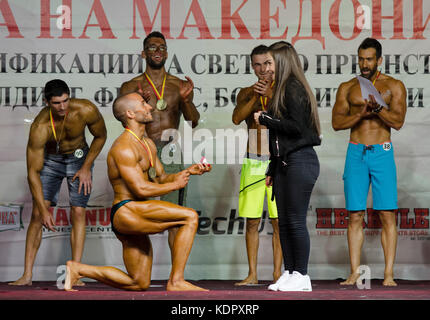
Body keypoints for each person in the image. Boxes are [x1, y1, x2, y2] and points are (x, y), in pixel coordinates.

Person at [64, 92, 211, 291]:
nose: (149, 107)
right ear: (130, 113)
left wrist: (187, 172)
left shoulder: (147, 143)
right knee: (189, 216)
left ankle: (78, 269)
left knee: (138, 282)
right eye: (143, 104)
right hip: (126, 210)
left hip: (137, 210)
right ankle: (176, 281)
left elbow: (160, 178)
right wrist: (175, 185)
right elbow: (140, 188)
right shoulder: (123, 147)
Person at [9, 79, 107, 286]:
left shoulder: (85, 109)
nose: (63, 107)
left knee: (78, 211)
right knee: (38, 212)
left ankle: (75, 273)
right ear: (46, 102)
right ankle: (27, 275)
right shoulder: (40, 126)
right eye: (56, 103)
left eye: (65, 101)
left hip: (80, 157)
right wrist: (45, 212)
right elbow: (33, 172)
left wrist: (86, 167)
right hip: (50, 161)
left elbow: (101, 136)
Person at [332, 38, 406, 287]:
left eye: (369, 59)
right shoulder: (347, 87)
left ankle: (388, 274)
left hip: (382, 152)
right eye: (361, 58)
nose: (364, 63)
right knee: (354, 215)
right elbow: (337, 123)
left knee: (387, 214)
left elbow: (397, 121)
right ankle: (354, 273)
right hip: (356, 153)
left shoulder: (394, 85)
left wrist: (378, 110)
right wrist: (359, 114)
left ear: (379, 60)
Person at [119, 31, 200, 255]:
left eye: (162, 48)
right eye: (153, 48)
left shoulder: (178, 85)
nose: (158, 51)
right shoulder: (130, 86)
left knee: (176, 215)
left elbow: (193, 121)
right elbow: (121, 119)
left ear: (167, 53)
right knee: (135, 213)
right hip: (140, 149)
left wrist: (185, 101)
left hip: (170, 151)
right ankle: (139, 270)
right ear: (144, 53)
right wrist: (138, 104)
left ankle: (176, 276)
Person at [254, 41, 321, 292]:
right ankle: (290, 271)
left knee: (294, 220)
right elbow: (280, 139)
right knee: (283, 222)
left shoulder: (294, 87)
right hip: (284, 162)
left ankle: (302, 274)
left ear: (281, 62)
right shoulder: (281, 89)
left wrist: (265, 118)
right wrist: (272, 168)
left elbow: (296, 128)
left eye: (270, 63)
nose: (266, 68)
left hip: (301, 160)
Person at [232, 45, 282, 286]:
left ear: (274, 64)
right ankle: (252, 274)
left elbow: (287, 118)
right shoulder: (246, 92)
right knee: (252, 221)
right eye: (257, 65)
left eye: (267, 64)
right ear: (252, 66)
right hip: (253, 160)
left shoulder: (282, 91)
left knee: (278, 221)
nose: (263, 69)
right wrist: (254, 95)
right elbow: (236, 117)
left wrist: (270, 94)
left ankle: (277, 274)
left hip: (277, 160)